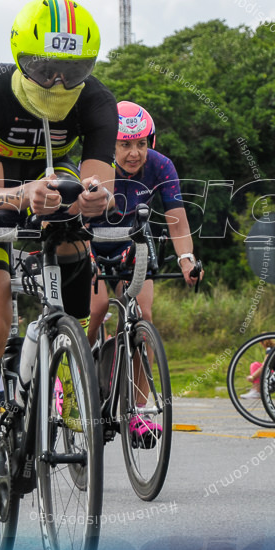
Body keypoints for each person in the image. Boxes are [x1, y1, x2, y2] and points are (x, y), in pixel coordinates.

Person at [0, 0, 116, 539]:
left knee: (78, 292)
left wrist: (91, 198)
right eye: (45, 69)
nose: (60, 84)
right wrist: (27, 194)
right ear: (20, 58)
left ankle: (57, 377)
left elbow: (99, 183)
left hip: (49, 186)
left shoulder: (98, 100)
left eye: (75, 71)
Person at [86, 101, 201, 442]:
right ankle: (71, 377)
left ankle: (137, 412)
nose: (134, 153)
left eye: (141, 143)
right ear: (112, 145)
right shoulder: (96, 164)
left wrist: (187, 260)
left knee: (144, 315)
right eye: (125, 144)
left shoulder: (161, 166)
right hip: (91, 239)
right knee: (96, 308)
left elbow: (177, 222)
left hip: (133, 239)